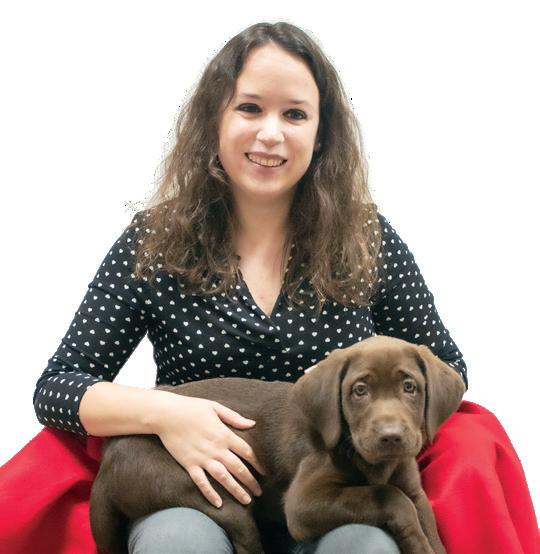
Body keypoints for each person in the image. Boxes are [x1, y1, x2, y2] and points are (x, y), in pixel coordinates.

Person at [1, 21, 538, 554]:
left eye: (295, 114)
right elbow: (59, 386)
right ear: (214, 119)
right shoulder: (157, 241)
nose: (271, 133)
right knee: (176, 541)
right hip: (196, 500)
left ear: (321, 134)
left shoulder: (365, 239)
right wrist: (165, 412)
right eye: (250, 108)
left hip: (334, 503)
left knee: (367, 546)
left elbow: (444, 368)